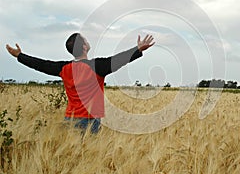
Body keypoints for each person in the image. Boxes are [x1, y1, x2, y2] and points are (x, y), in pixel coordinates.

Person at [6, 33, 155, 134]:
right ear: (84, 47)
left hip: (69, 118)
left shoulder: (63, 68)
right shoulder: (97, 67)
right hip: (91, 120)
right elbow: (119, 59)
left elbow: (41, 64)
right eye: (85, 40)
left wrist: (20, 56)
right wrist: (138, 49)